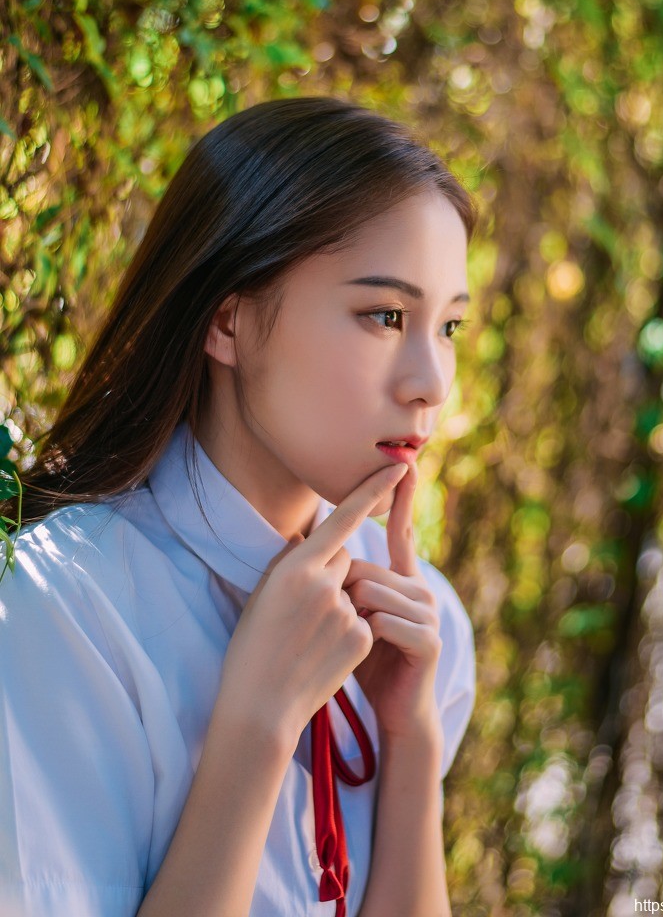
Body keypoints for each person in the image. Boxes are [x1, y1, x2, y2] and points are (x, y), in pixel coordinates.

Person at [0, 97, 477, 917]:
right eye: (385, 316)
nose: (430, 383)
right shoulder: (65, 610)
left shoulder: (420, 624)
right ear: (227, 319)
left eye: (449, 328)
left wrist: (410, 738)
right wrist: (258, 724)